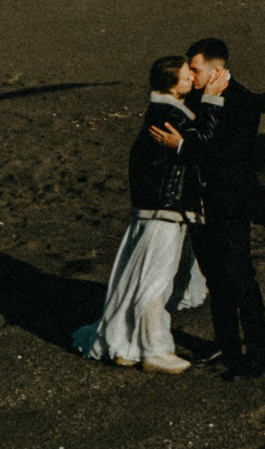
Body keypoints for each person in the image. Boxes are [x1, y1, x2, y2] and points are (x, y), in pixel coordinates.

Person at [75, 56, 208, 373]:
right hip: (164, 212)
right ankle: (153, 349)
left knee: (138, 278)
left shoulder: (162, 111)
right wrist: (214, 99)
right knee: (154, 281)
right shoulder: (172, 115)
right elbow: (206, 145)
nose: (191, 76)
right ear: (172, 84)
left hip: (153, 210)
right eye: (186, 74)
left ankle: (125, 345)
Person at [183, 37, 265, 377]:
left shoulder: (243, 102)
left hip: (231, 202)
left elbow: (220, 152)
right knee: (215, 278)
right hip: (203, 202)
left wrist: (209, 103)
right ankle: (228, 345)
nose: (190, 76)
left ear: (216, 69)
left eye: (195, 69)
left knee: (239, 276)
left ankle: (259, 353)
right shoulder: (197, 97)